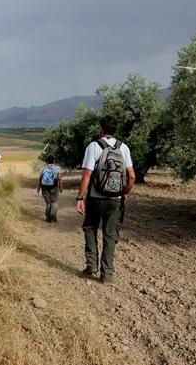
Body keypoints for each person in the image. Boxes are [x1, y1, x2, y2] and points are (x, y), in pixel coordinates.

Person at [75, 116, 135, 283]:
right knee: (110, 235)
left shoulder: (94, 146)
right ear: (114, 130)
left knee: (89, 228)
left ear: (100, 129)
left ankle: (91, 266)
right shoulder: (124, 148)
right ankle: (106, 274)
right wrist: (125, 192)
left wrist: (80, 197)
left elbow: (87, 174)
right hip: (115, 199)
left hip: (95, 198)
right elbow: (131, 176)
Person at [37, 155, 63, 222]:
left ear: (47, 161)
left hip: (44, 187)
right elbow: (59, 178)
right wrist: (60, 187)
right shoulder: (57, 168)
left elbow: (40, 178)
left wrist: (38, 188)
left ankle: (48, 218)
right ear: (54, 161)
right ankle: (53, 217)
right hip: (54, 187)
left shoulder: (43, 168)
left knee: (48, 203)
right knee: (54, 202)